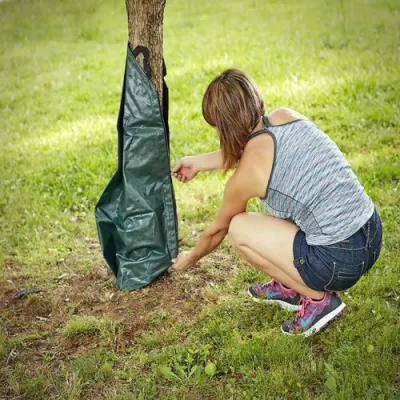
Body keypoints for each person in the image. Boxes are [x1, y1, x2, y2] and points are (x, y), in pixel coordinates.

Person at [170, 69, 383, 336]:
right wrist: (199, 162)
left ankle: (318, 301)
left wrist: (189, 259)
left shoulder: (246, 177)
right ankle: (290, 283)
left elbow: (217, 231)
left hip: (340, 261)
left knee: (238, 228)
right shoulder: (285, 116)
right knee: (292, 195)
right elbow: (254, 149)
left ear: (223, 127)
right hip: (371, 232)